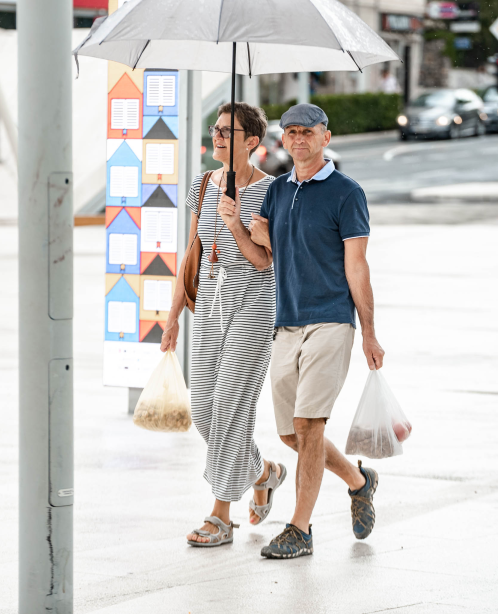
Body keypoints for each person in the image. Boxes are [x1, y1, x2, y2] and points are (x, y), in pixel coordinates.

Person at [250, 103, 385, 560]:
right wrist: (236, 226)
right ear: (282, 140)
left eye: (307, 131)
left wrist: (368, 331)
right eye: (289, 132)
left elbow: (357, 265)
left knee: (310, 425)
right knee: (291, 434)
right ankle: (358, 481)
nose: (297, 138)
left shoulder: (347, 193)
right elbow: (265, 257)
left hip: (331, 320)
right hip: (285, 323)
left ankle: (300, 529)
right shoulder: (276, 192)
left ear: (326, 137)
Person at [160, 102, 285, 547]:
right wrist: (172, 317)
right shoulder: (201, 185)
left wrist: (235, 225)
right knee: (205, 414)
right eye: (215, 129)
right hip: (209, 307)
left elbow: (264, 262)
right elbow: (189, 253)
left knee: (232, 409)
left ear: (252, 142)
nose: (217, 137)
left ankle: (220, 516)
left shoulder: (272, 191)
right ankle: (263, 471)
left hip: (253, 310)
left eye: (228, 132)